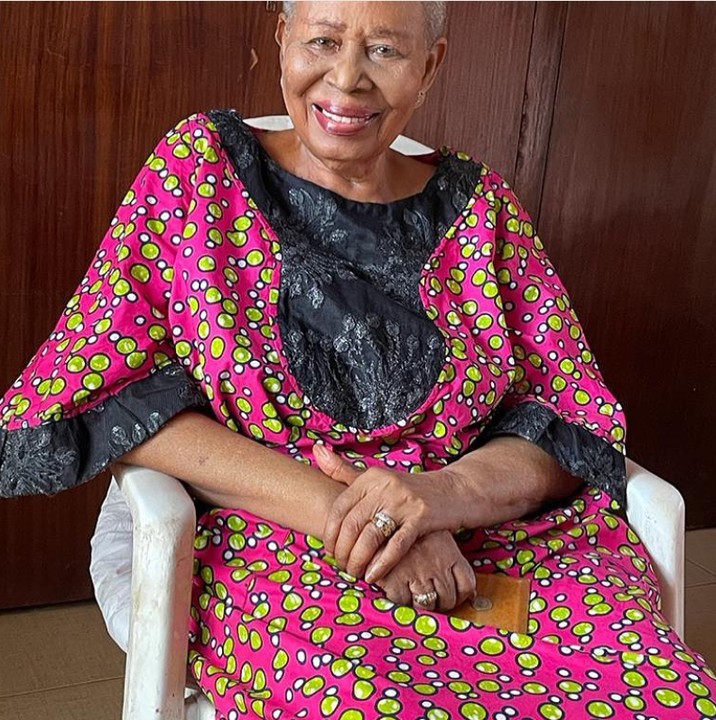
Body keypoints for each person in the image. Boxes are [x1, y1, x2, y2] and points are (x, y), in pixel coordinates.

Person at [2, 1, 715, 718]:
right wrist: (364, 522)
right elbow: (109, 391)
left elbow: (571, 422)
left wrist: (440, 496)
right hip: (278, 539)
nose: (346, 79)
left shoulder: (483, 210)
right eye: (322, 40)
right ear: (282, 39)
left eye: (384, 50)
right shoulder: (202, 173)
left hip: (495, 537)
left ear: (430, 66)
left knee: (660, 697)